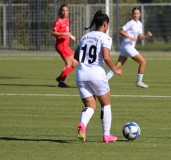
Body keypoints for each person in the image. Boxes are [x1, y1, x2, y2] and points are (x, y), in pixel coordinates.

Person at [74, 10, 122, 143]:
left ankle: (82, 125)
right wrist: (115, 69)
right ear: (105, 24)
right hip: (96, 75)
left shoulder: (85, 37)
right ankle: (106, 135)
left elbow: (76, 56)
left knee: (90, 106)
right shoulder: (105, 38)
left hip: (81, 75)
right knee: (105, 104)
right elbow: (106, 57)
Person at [106, 7, 152, 88]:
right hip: (128, 47)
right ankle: (139, 81)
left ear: (140, 14)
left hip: (125, 47)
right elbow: (121, 31)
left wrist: (147, 36)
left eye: (137, 14)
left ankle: (104, 80)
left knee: (117, 67)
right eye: (134, 14)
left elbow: (140, 37)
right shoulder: (131, 22)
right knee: (143, 62)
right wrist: (130, 37)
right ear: (132, 14)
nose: (136, 15)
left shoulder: (140, 24)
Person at [52, 4, 78, 88]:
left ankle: (61, 77)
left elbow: (66, 32)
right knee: (69, 63)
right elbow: (53, 33)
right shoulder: (58, 21)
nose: (65, 12)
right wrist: (64, 34)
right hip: (61, 46)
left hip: (66, 45)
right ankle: (61, 82)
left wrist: (71, 37)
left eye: (66, 10)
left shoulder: (67, 20)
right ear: (60, 11)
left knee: (75, 62)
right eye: (63, 10)